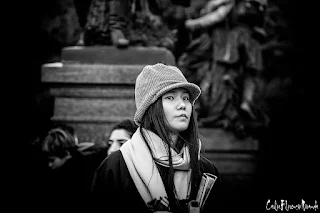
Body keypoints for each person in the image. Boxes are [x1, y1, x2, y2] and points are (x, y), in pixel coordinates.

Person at [91, 63, 221, 213]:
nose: (182, 105)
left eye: (186, 98)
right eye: (170, 97)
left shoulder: (206, 170)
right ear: (150, 108)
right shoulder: (116, 167)